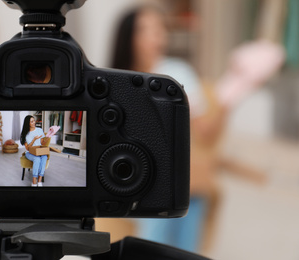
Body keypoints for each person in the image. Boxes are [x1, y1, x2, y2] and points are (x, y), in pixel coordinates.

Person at [111, 4, 284, 252]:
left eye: (160, 28)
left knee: (183, 250)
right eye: (146, 29)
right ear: (128, 36)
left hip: (188, 183)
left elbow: (205, 131)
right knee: (147, 246)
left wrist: (233, 91)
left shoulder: (177, 74)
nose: (157, 35)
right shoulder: (113, 81)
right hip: (138, 184)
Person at [20, 115, 49, 187]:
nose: (34, 122)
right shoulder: (25, 134)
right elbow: (27, 148)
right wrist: (34, 140)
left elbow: (42, 143)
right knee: (37, 159)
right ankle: (34, 181)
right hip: (29, 152)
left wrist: (47, 137)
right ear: (28, 123)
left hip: (39, 151)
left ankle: (39, 180)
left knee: (44, 157)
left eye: (34, 120)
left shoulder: (39, 130)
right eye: (31, 121)